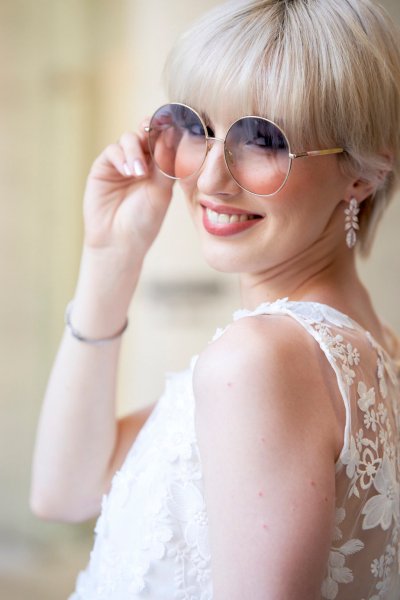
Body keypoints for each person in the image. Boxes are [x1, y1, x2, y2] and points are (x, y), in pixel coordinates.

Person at [30, 0, 400, 598]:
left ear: (364, 170)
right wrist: (111, 255)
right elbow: (64, 491)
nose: (208, 178)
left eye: (262, 138)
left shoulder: (260, 361)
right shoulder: (375, 350)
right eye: (197, 127)